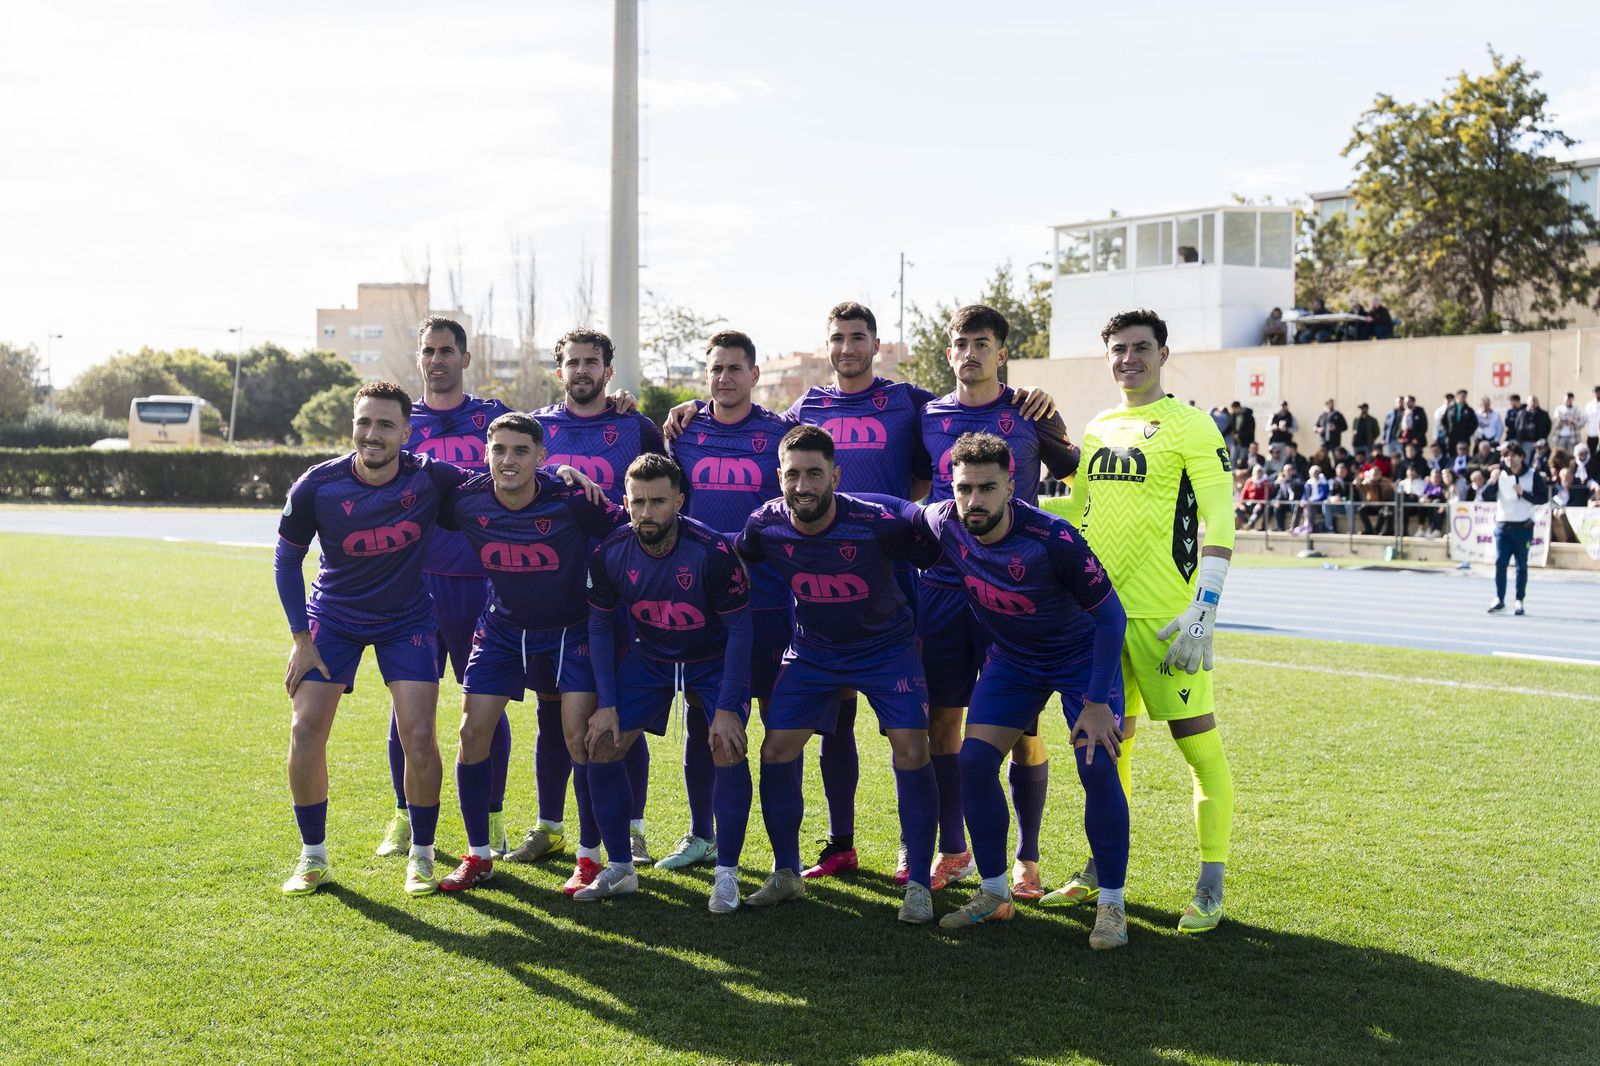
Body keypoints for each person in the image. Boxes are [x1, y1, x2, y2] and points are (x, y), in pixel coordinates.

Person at [665, 302, 1056, 883]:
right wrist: (695, 407)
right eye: (837, 338)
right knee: (841, 716)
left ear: (875, 344)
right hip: (818, 585)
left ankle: (986, 855)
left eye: (857, 338)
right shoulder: (804, 409)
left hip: (904, 581)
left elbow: (945, 444)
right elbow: (755, 423)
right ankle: (843, 842)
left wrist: (1027, 398)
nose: (847, 348)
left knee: (941, 727)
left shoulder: (911, 402)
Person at [899, 433, 1129, 946]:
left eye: (987, 488)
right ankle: (995, 894)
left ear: (1010, 487)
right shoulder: (946, 521)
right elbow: (895, 509)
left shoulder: (1053, 539)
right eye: (964, 488)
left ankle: (1112, 905)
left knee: (1096, 766)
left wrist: (1096, 703)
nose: (974, 500)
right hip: (1015, 661)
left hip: (1080, 658)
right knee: (974, 762)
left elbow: (1113, 618)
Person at [1056, 309, 1238, 933]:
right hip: (1101, 617)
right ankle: (1101, 869)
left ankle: (1210, 884)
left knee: (1198, 748)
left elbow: (1220, 517)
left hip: (1168, 622)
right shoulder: (1098, 427)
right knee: (1107, 751)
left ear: (1163, 353)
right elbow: (1078, 511)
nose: (1128, 358)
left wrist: (1204, 608)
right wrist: (1011, 502)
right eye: (1118, 349)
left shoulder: (1192, 425)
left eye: (1140, 347)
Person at [735, 424, 942, 923]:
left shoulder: (875, 521)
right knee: (775, 749)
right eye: (792, 475)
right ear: (778, 477)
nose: (802, 485)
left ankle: (919, 883)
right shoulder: (765, 524)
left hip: (886, 648)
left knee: (912, 749)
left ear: (836, 476)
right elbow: (734, 553)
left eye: (814, 474)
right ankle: (786, 873)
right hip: (814, 651)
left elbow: (936, 549)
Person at [274, 382, 470, 897]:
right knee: (305, 729)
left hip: (407, 619)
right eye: (364, 422)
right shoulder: (318, 485)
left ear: (406, 433)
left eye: (385, 424)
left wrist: (562, 476)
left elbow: (500, 482)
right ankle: (313, 857)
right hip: (333, 617)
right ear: (353, 426)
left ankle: (422, 855)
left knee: (419, 736)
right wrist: (300, 638)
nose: (372, 433)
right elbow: (286, 560)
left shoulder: (431, 477)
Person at [915, 305, 1079, 899]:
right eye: (961, 343)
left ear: (1002, 353)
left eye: (982, 343)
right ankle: (952, 848)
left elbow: (1074, 471)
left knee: (1022, 730)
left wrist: (1053, 414)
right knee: (943, 720)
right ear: (949, 351)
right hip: (942, 588)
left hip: (1013, 589)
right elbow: (918, 488)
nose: (970, 353)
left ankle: (1027, 858)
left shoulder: (1031, 410)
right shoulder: (928, 415)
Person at [429, 414, 627, 895]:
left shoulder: (571, 498)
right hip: (501, 628)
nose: (508, 460)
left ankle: (589, 857)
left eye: (521, 451)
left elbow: (630, 527)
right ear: (486, 453)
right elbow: (412, 484)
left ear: (541, 456)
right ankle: (478, 855)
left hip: (571, 630)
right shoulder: (466, 499)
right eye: (499, 449)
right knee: (471, 733)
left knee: (580, 739)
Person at [583, 454, 755, 910]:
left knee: (727, 745)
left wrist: (726, 708)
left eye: (658, 502)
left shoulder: (712, 551)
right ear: (625, 502)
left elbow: (741, 629)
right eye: (637, 502)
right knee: (602, 743)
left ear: (678, 501)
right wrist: (606, 703)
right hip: (652, 657)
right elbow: (599, 625)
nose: (646, 512)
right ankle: (620, 868)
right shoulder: (610, 551)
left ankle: (727, 875)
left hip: (712, 659)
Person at [374, 316, 515, 863]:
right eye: (428, 351)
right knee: (408, 709)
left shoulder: (493, 418)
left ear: (465, 358)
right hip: (413, 586)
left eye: (446, 351)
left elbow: (539, 448)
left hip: (482, 584)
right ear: (419, 358)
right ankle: (404, 817)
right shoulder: (401, 420)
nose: (437, 360)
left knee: (485, 708)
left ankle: (493, 819)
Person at [656, 330, 792, 872]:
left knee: (779, 726)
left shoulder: (780, 432)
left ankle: (784, 855)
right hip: (703, 604)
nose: (725, 377)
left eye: (735, 368)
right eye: (716, 369)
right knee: (702, 719)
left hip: (770, 600)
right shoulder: (684, 432)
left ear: (754, 375)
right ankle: (702, 834)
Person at [535, 328, 666, 864]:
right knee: (551, 711)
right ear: (559, 371)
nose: (582, 370)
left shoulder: (636, 426)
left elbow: (666, 491)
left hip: (623, 590)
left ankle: (631, 828)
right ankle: (549, 825)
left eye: (592, 362)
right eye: (573, 362)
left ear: (608, 372)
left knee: (623, 710)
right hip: (554, 588)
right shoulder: (538, 426)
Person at [1482, 442, 1548, 615]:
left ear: (1521, 456)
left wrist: (1523, 493)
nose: (1509, 459)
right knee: (1500, 563)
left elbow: (1542, 499)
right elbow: (1485, 496)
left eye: (1512, 455)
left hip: (1523, 527)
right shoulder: (1500, 474)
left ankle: (1519, 600)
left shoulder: (1532, 475)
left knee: (1521, 565)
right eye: (1506, 455)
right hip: (1503, 526)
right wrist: (1492, 480)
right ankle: (1499, 599)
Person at [1357, 466, 1395, 536]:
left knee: (1384, 511)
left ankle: (1377, 530)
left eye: (1377, 473)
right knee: (1361, 509)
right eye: (1374, 474)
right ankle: (1369, 530)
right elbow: (1359, 486)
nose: (1376, 475)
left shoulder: (1386, 482)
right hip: (1373, 505)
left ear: (1380, 474)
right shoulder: (1368, 482)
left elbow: (1393, 490)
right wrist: (1364, 480)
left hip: (1384, 506)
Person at [1295, 466, 1330, 534]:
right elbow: (1305, 494)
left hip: (1319, 503)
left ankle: (1310, 527)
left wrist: (1311, 502)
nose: (1315, 475)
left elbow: (1323, 496)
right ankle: (1294, 526)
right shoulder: (1308, 483)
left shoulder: (1324, 482)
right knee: (1298, 505)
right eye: (1313, 473)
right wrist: (1302, 501)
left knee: (1310, 506)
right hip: (1309, 502)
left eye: (1316, 473)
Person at [1237, 464, 1270, 529]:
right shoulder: (1249, 481)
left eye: (1260, 472)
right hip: (1249, 502)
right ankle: (1247, 524)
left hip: (1260, 504)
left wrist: (1260, 504)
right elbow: (1244, 493)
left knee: (1257, 511)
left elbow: (1265, 495)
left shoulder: (1265, 482)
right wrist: (1242, 504)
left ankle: (1250, 524)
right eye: (1257, 472)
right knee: (1238, 510)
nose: (1258, 473)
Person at [1324, 462, 1355, 533]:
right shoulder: (1332, 481)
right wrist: (1331, 498)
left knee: (1349, 504)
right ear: (1336, 471)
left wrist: (1343, 499)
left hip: (1351, 506)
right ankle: (1329, 528)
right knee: (1326, 503)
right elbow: (1329, 495)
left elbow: (1354, 496)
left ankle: (1351, 530)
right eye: (1340, 471)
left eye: (1343, 470)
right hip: (1339, 506)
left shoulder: (1351, 480)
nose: (1342, 472)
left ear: (1346, 471)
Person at [1228, 401, 1256, 469]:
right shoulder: (1233, 416)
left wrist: (1240, 435)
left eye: (1234, 409)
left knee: (1243, 460)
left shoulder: (1249, 417)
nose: (1233, 411)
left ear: (1238, 408)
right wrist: (1222, 433)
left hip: (1245, 443)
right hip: (1236, 442)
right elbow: (1230, 427)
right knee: (1233, 459)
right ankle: (1233, 473)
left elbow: (1250, 431)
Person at [1584, 385, 1600, 455]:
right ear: (1593, 393)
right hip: (1592, 434)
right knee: (1591, 454)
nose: (1598, 393)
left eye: (1599, 392)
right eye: (1596, 392)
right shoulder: (1589, 405)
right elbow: (1585, 419)